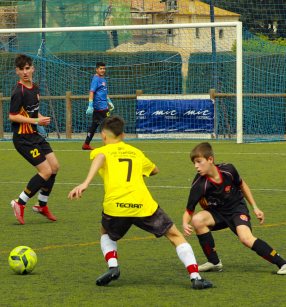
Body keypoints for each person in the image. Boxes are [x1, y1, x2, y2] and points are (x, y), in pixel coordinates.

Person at [68, 115, 213, 289]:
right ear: (123, 135)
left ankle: (113, 267)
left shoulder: (101, 151)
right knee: (175, 236)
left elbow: (100, 158)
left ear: (104, 136)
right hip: (143, 205)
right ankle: (195, 277)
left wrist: (86, 182)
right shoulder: (136, 152)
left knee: (105, 231)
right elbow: (155, 170)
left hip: (116, 206)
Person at [182, 142, 286, 275]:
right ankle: (214, 262)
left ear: (210, 159)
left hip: (237, 208)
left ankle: (284, 264)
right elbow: (188, 211)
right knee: (197, 220)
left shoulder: (228, 170)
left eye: (199, 161)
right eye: (194, 163)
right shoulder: (199, 185)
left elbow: (243, 186)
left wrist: (255, 207)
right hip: (216, 213)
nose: (196, 166)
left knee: (246, 238)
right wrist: (185, 223)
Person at [9, 54, 59, 225]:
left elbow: (32, 111)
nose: (25, 72)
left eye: (28, 68)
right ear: (17, 71)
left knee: (54, 167)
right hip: (23, 139)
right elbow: (13, 116)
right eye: (21, 69)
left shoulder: (35, 88)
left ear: (32, 69)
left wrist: (40, 117)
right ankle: (19, 203)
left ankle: (42, 205)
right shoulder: (18, 92)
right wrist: (36, 121)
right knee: (45, 171)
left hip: (34, 135)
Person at [82, 62, 114, 151]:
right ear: (96, 69)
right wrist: (90, 105)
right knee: (109, 124)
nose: (102, 70)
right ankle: (110, 146)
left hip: (101, 105)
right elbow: (91, 92)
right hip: (101, 106)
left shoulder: (102, 79)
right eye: (101, 69)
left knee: (94, 124)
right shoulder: (96, 79)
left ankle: (86, 144)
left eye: (104, 69)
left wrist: (109, 101)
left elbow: (103, 92)